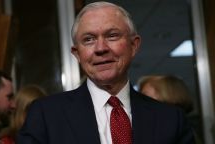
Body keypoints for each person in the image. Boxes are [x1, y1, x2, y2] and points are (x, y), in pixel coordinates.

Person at [17, 2, 195, 144]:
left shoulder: (171, 121)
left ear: (134, 46)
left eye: (112, 35)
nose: (101, 48)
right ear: (77, 54)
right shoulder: (45, 116)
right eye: (88, 39)